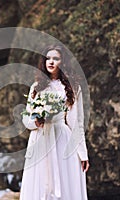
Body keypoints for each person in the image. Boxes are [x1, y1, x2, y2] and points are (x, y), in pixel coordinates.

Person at [20, 44, 89, 200]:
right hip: (40, 138)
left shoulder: (73, 87)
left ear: (62, 62)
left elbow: (76, 122)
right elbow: (26, 118)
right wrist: (35, 122)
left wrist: (83, 153)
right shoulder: (36, 87)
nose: (51, 62)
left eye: (55, 58)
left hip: (62, 139)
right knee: (40, 182)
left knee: (65, 182)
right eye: (48, 58)